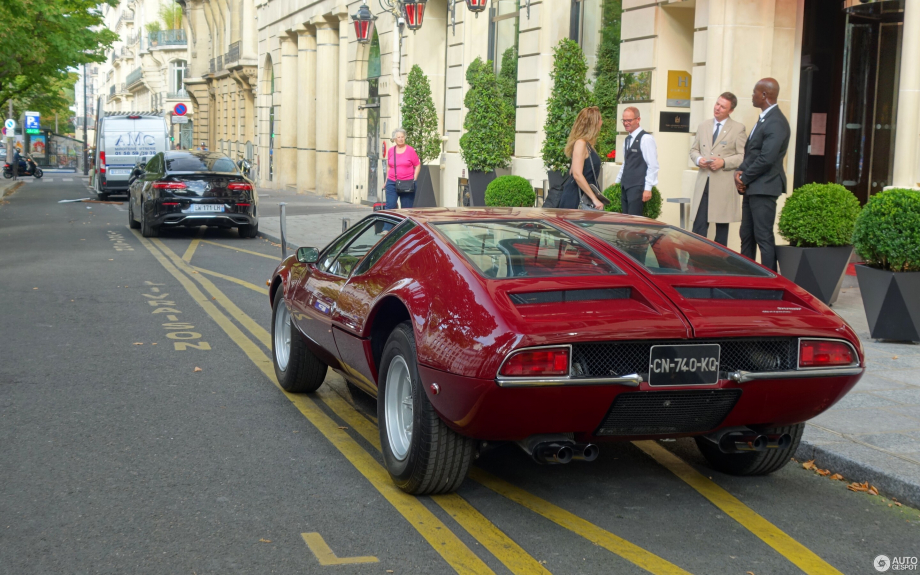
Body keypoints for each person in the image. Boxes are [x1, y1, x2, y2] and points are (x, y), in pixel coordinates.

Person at [734, 78, 791, 271]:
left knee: (763, 237)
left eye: (754, 92)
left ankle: (770, 281)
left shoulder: (777, 122)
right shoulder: (764, 119)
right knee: (746, 235)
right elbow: (753, 152)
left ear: (764, 95)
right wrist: (739, 172)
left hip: (765, 187)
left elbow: (767, 158)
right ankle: (746, 278)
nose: (752, 95)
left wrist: (744, 178)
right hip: (753, 187)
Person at [689, 92, 747, 246]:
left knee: (721, 231)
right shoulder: (703, 125)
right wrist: (699, 159)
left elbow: (742, 156)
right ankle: (695, 263)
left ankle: (719, 265)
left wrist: (724, 162)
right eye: (717, 104)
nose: (718, 108)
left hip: (723, 185)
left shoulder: (738, 128)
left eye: (723, 107)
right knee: (698, 228)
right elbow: (693, 150)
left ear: (731, 110)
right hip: (704, 183)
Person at [614, 106, 659, 216]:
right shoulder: (627, 139)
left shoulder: (646, 139)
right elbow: (626, 162)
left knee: (634, 221)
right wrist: (617, 181)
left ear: (638, 120)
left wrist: (648, 188)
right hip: (625, 185)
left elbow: (653, 165)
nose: (625, 123)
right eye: (624, 120)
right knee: (625, 219)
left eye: (629, 120)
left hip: (637, 186)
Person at [560, 106, 605, 210]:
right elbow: (576, 174)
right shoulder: (581, 143)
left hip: (582, 196)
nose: (602, 122)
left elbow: (573, 170)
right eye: (600, 119)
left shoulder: (587, 144)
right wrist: (594, 199)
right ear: (594, 123)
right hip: (577, 198)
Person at [383, 128, 420, 209]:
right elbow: (389, 166)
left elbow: (417, 165)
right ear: (395, 139)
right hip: (392, 182)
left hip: (407, 183)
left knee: (406, 210)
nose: (401, 139)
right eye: (398, 137)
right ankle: (389, 222)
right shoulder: (391, 151)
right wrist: (386, 180)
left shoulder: (410, 150)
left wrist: (414, 179)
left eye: (402, 137)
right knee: (390, 207)